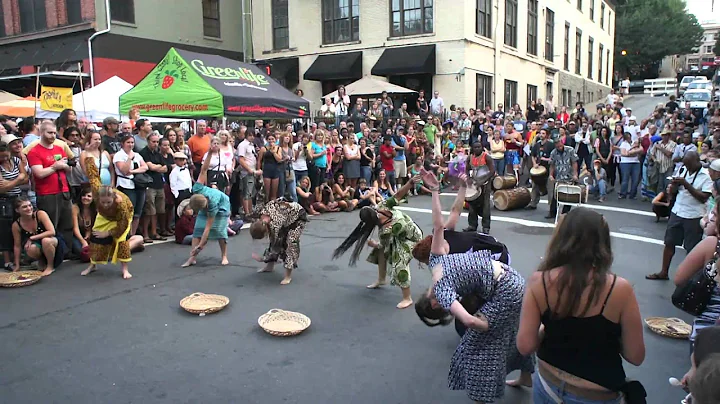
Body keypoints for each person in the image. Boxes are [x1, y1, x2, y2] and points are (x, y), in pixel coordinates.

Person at [413, 170, 534, 403]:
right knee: (508, 332)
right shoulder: (437, 263)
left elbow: (468, 321)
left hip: (504, 284)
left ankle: (483, 395)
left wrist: (484, 329)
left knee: (481, 349)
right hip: (507, 279)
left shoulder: (443, 287)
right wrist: (437, 191)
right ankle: (526, 372)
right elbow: (439, 225)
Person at [517, 208, 645, 403]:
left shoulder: (539, 282)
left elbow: (525, 346)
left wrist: (546, 330)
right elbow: (635, 355)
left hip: (548, 384)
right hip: (596, 394)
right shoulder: (620, 289)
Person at [333, 176, 422, 309]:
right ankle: (381, 279)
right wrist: (409, 183)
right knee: (380, 252)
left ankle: (407, 297)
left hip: (412, 239)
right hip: (402, 234)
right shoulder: (382, 209)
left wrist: (409, 183)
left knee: (399, 263)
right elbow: (397, 196)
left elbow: (397, 195)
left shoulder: (386, 227)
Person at [648, 151, 712, 280]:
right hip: (677, 211)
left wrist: (686, 184)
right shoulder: (683, 169)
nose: (687, 167)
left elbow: (703, 198)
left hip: (694, 215)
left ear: (696, 162)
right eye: (685, 165)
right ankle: (664, 272)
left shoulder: (706, 176)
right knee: (669, 243)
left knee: (691, 248)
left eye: (689, 165)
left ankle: (689, 278)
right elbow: (676, 190)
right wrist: (673, 187)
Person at [80, 157, 143, 279]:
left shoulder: (122, 206)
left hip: (121, 217)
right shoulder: (97, 190)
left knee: (121, 241)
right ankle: (92, 265)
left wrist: (108, 233)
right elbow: (93, 174)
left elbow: (122, 226)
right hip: (104, 215)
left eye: (108, 202)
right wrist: (88, 157)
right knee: (95, 238)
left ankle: (125, 269)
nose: (105, 204)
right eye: (103, 202)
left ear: (114, 198)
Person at [26, 121, 74, 246]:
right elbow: (39, 173)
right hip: (47, 193)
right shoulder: (34, 151)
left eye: (54, 133)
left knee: (67, 224)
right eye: (50, 133)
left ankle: (66, 252)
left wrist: (66, 166)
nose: (53, 136)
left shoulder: (59, 148)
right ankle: (50, 253)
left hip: (63, 190)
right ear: (41, 133)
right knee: (50, 225)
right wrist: (55, 166)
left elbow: (68, 169)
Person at [181, 156, 232, 268]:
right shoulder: (197, 189)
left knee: (220, 231)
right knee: (197, 229)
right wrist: (209, 153)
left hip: (222, 205)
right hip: (205, 203)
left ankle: (224, 256)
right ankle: (192, 258)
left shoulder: (212, 205)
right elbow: (204, 169)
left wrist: (200, 246)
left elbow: (207, 228)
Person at [249, 197, 308, 285]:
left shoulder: (275, 225)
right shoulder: (262, 213)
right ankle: (270, 266)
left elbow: (276, 245)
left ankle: (288, 276)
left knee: (291, 244)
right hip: (286, 216)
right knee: (274, 242)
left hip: (298, 217)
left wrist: (262, 259)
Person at [12, 197, 59, 276]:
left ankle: (50, 266)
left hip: (52, 241)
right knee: (30, 248)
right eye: (24, 207)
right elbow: (17, 246)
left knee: (46, 241)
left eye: (30, 205)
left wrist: (32, 238)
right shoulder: (16, 225)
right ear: (17, 210)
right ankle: (42, 261)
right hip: (38, 245)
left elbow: (52, 232)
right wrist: (17, 265)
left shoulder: (40, 214)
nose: (29, 208)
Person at [113, 134, 149, 236]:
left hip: (138, 185)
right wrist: (129, 159)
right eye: (128, 142)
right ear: (122, 144)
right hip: (126, 185)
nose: (130, 145)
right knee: (128, 212)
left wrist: (133, 171)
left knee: (138, 212)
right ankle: (126, 235)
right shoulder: (119, 155)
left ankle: (132, 235)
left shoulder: (137, 155)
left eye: (132, 142)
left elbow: (145, 167)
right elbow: (124, 170)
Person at [0, 140, 28, 270]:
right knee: (6, 229)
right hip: (4, 200)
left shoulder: (16, 161)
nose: (5, 158)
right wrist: (18, 179)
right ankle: (7, 260)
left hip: (18, 197)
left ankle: (20, 256)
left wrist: (10, 183)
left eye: (6, 155)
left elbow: (26, 178)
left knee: (20, 226)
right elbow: (2, 189)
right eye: (2, 156)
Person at [544, 137, 579, 220]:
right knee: (556, 195)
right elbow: (552, 165)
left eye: (560, 145)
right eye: (557, 146)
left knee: (569, 195)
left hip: (569, 175)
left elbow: (574, 162)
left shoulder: (570, 150)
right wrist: (551, 175)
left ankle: (565, 213)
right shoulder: (553, 152)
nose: (559, 147)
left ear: (562, 143)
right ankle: (552, 212)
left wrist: (575, 174)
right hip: (559, 176)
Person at [464, 141, 494, 234]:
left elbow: (492, 171)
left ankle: (486, 227)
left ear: (482, 147)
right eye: (475, 147)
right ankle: (472, 225)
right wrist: (468, 178)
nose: (477, 149)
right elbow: (467, 169)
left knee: (485, 206)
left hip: (485, 184)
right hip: (475, 183)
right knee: (472, 205)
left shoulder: (487, 157)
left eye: (479, 147)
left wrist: (482, 181)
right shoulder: (470, 157)